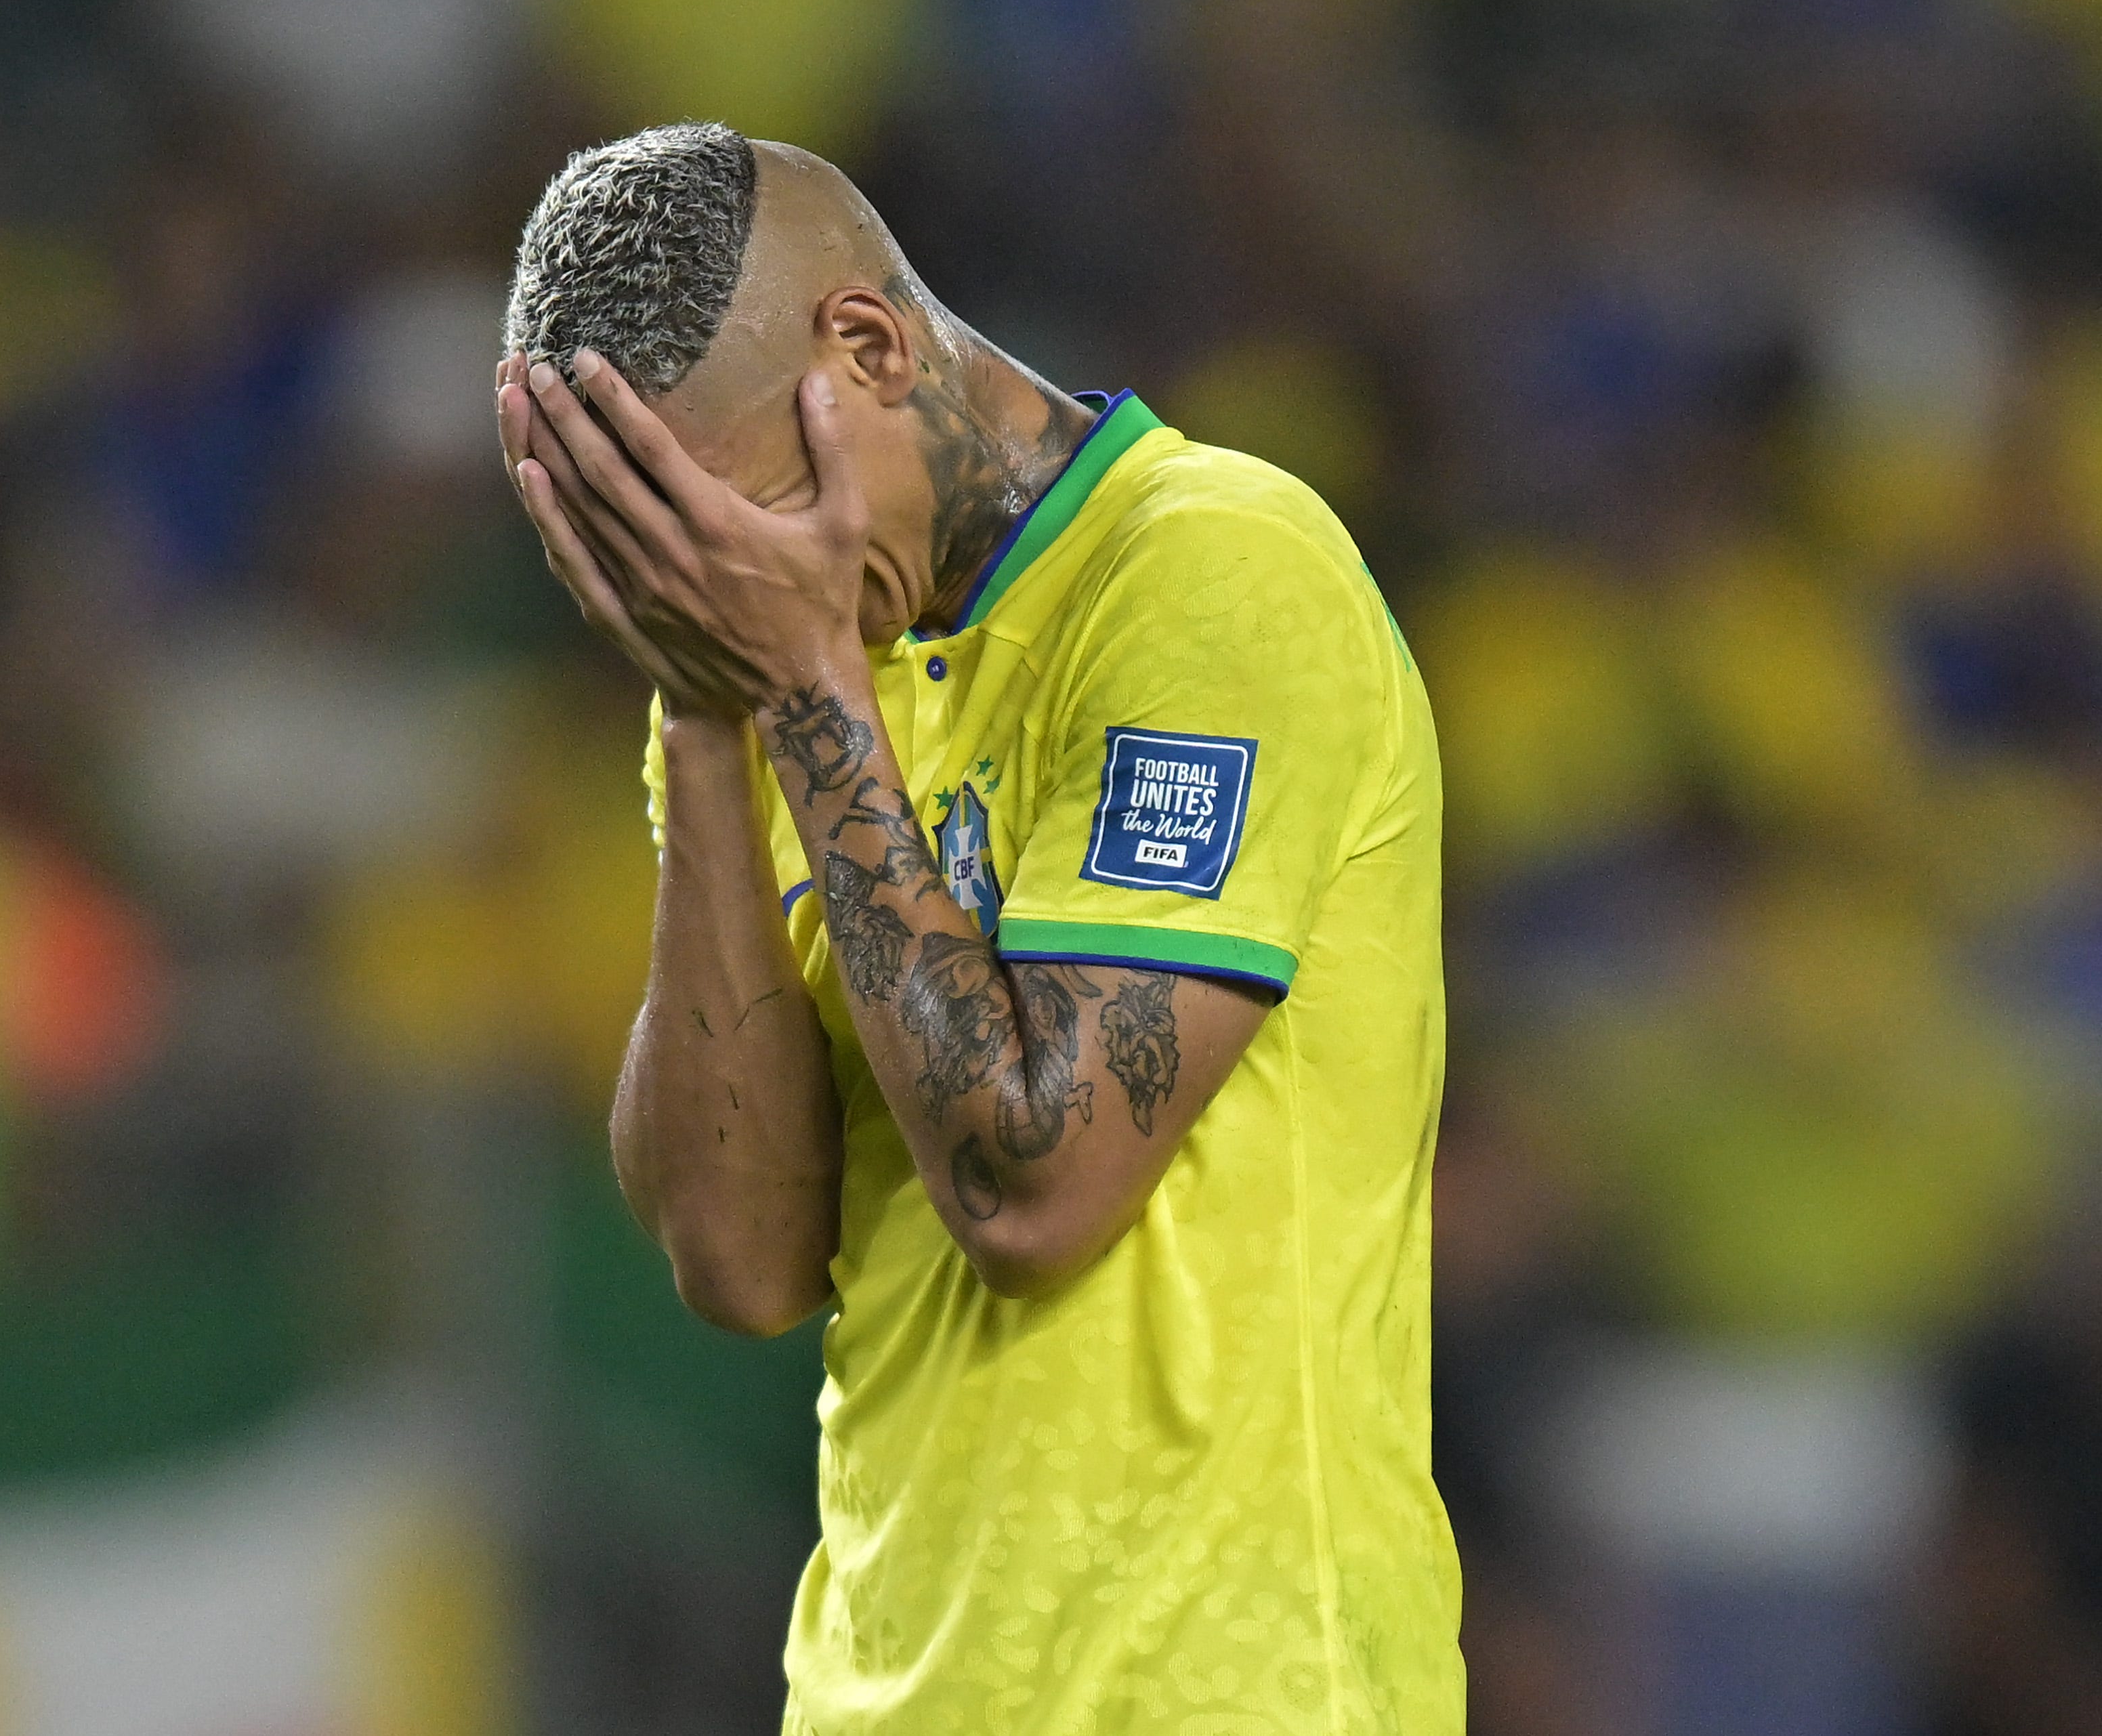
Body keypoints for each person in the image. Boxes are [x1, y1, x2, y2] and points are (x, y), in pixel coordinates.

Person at [493, 122, 1460, 1734]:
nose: (725, 580)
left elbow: (1036, 1182)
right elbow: (738, 1259)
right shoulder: (778, 660)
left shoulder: (1213, 569)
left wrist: (802, 685)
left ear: (866, 347)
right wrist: (705, 716)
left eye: (742, 515)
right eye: (667, 553)